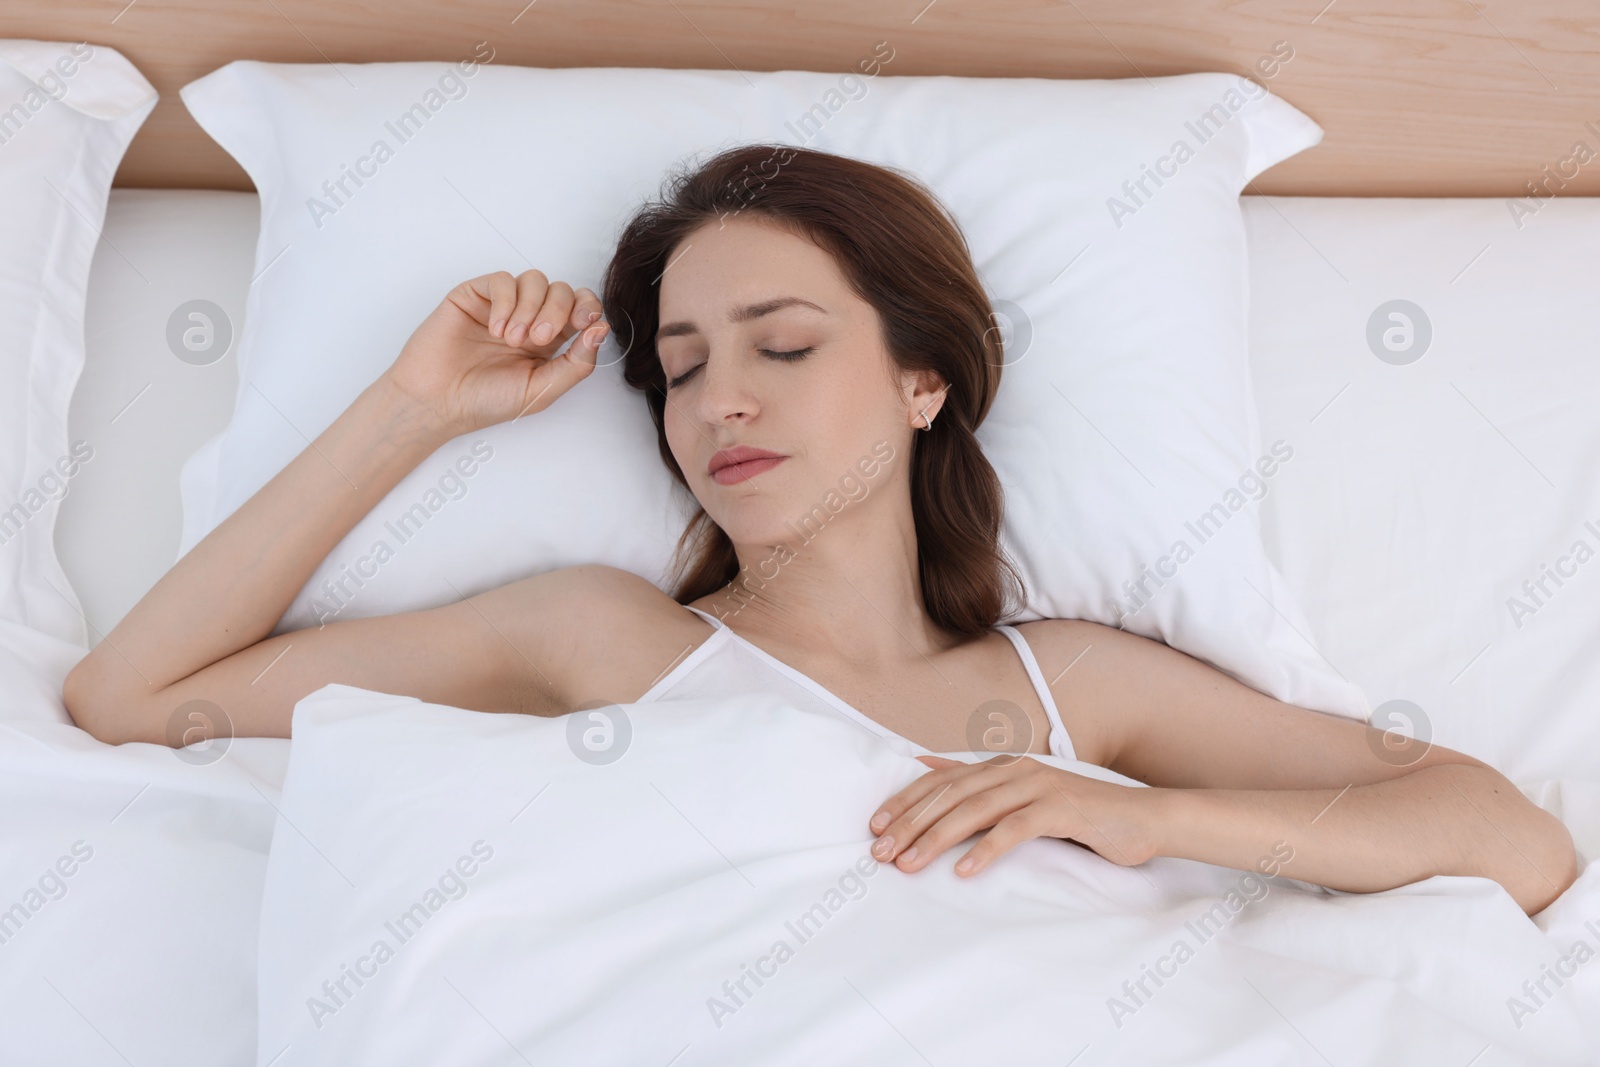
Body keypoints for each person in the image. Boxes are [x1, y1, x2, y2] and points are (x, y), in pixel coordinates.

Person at [64, 145, 1577, 916]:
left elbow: (1509, 841)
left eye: (784, 347)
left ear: (924, 379)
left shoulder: (1071, 689)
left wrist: (1157, 816)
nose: (723, 401)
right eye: (681, 366)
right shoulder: (601, 635)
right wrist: (413, 410)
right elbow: (135, 697)